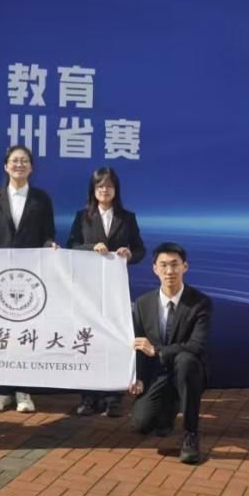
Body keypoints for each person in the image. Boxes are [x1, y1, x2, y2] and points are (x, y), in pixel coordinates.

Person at [0, 144, 56, 412]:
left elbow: (48, 233)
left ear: (31, 167)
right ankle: (1, 391)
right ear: (5, 166)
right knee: (0, 332)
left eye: (24, 161)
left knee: (25, 332)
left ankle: (23, 391)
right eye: (14, 160)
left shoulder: (41, 199)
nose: (19, 165)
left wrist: (50, 245)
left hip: (29, 276)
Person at [67, 166, 145, 418]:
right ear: (93, 190)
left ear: (116, 190)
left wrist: (129, 253)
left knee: (115, 339)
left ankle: (113, 398)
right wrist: (91, 247)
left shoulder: (127, 217)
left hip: (116, 289)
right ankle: (89, 398)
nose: (104, 190)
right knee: (88, 339)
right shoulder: (82, 216)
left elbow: (140, 249)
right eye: (100, 186)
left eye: (109, 186)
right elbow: (72, 246)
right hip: (88, 289)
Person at [129, 242, 211, 464]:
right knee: (141, 424)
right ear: (154, 269)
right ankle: (168, 410)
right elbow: (137, 345)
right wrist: (137, 377)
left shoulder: (200, 303)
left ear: (185, 267)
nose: (169, 271)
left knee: (185, 361)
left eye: (175, 265)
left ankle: (190, 434)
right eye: (163, 265)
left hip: (188, 371)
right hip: (158, 373)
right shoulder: (143, 303)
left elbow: (196, 346)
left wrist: (156, 350)